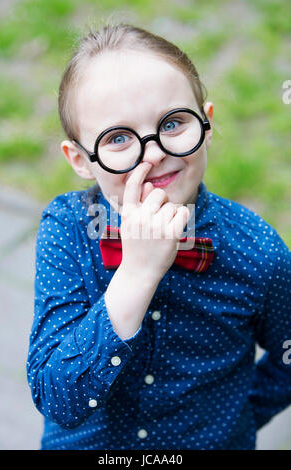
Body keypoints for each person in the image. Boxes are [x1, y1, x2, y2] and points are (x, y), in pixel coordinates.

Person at [26, 23, 291, 450]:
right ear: (79, 159)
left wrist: (235, 421)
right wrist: (136, 274)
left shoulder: (258, 251)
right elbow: (58, 398)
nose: (153, 153)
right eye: (117, 137)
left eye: (172, 123)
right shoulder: (67, 230)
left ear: (206, 123)